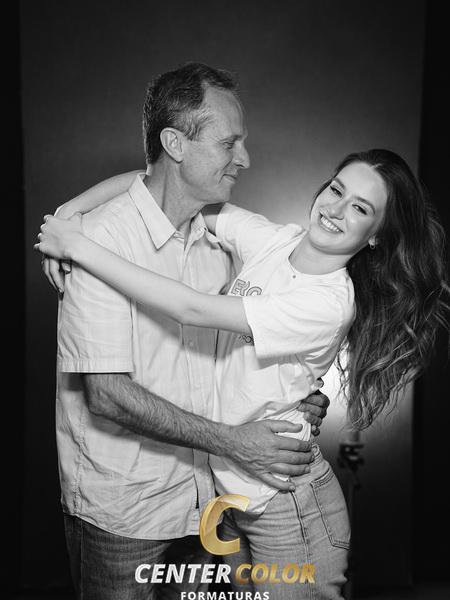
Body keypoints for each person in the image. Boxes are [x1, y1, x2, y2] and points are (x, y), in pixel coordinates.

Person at [36, 147, 450, 599]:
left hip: (287, 503)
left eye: (360, 208)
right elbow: (160, 186)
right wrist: (69, 213)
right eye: (336, 190)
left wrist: (77, 247)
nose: (335, 209)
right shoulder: (276, 240)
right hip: (232, 497)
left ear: (376, 236)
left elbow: (191, 309)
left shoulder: (327, 303)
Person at [38, 62, 329, 600]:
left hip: (210, 507)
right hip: (125, 518)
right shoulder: (98, 243)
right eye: (229, 143)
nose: (245, 159)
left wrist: (294, 396)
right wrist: (236, 443)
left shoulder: (222, 240)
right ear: (175, 143)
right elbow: (108, 395)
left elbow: (233, 358)